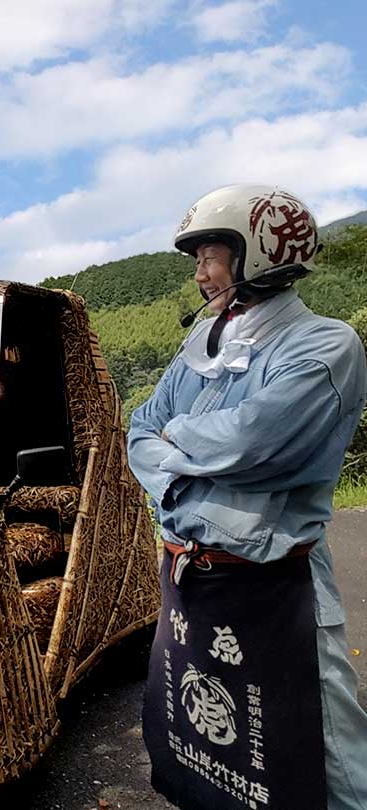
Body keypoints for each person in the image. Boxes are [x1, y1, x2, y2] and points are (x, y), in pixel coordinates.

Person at [127, 184, 367, 810]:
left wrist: (174, 439)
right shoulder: (199, 346)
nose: (201, 275)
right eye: (199, 260)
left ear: (259, 252)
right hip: (194, 577)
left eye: (211, 256)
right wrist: (187, 454)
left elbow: (256, 443)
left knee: (322, 742)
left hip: (277, 581)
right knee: (210, 739)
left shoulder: (326, 344)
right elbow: (138, 432)